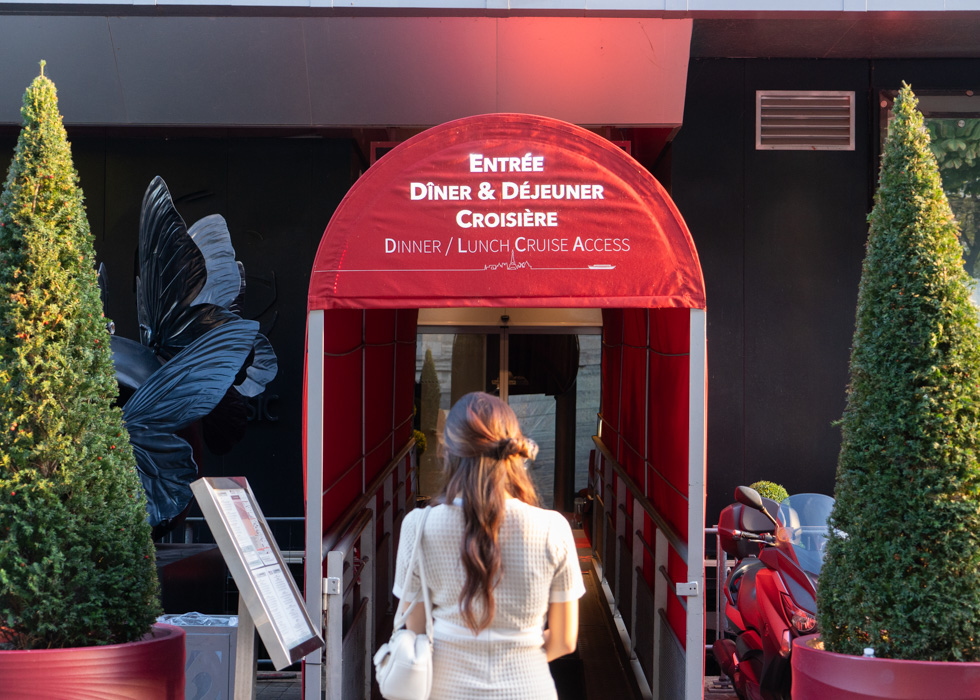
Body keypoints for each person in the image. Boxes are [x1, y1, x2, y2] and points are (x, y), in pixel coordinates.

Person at [393, 391, 586, 700]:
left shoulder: (419, 526)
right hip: (529, 690)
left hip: (446, 689)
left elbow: (415, 630)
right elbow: (564, 640)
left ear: (448, 452)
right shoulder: (554, 528)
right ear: (513, 452)